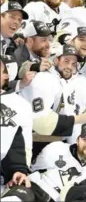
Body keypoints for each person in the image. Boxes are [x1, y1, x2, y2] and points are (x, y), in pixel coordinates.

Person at [29, 123, 86, 201]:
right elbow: (32, 171)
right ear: (77, 140)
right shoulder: (56, 148)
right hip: (39, 193)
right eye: (85, 139)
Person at [0, 55, 34, 200]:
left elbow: (16, 145)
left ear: (5, 76)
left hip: (3, 176)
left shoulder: (18, 105)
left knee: (22, 195)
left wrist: (18, 170)